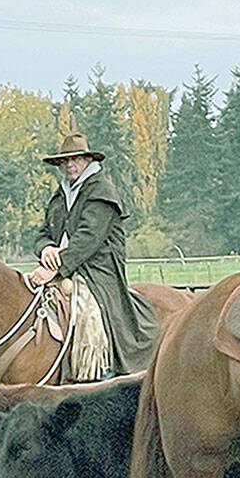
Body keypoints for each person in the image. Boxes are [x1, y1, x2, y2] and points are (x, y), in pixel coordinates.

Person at [28, 132, 157, 377]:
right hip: (63, 266)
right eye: (65, 161)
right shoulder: (60, 195)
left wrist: (55, 267)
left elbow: (89, 238)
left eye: (75, 159)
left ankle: (100, 372)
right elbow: (43, 232)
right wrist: (46, 249)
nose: (70, 165)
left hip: (98, 270)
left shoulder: (101, 192)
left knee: (88, 314)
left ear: (87, 161)